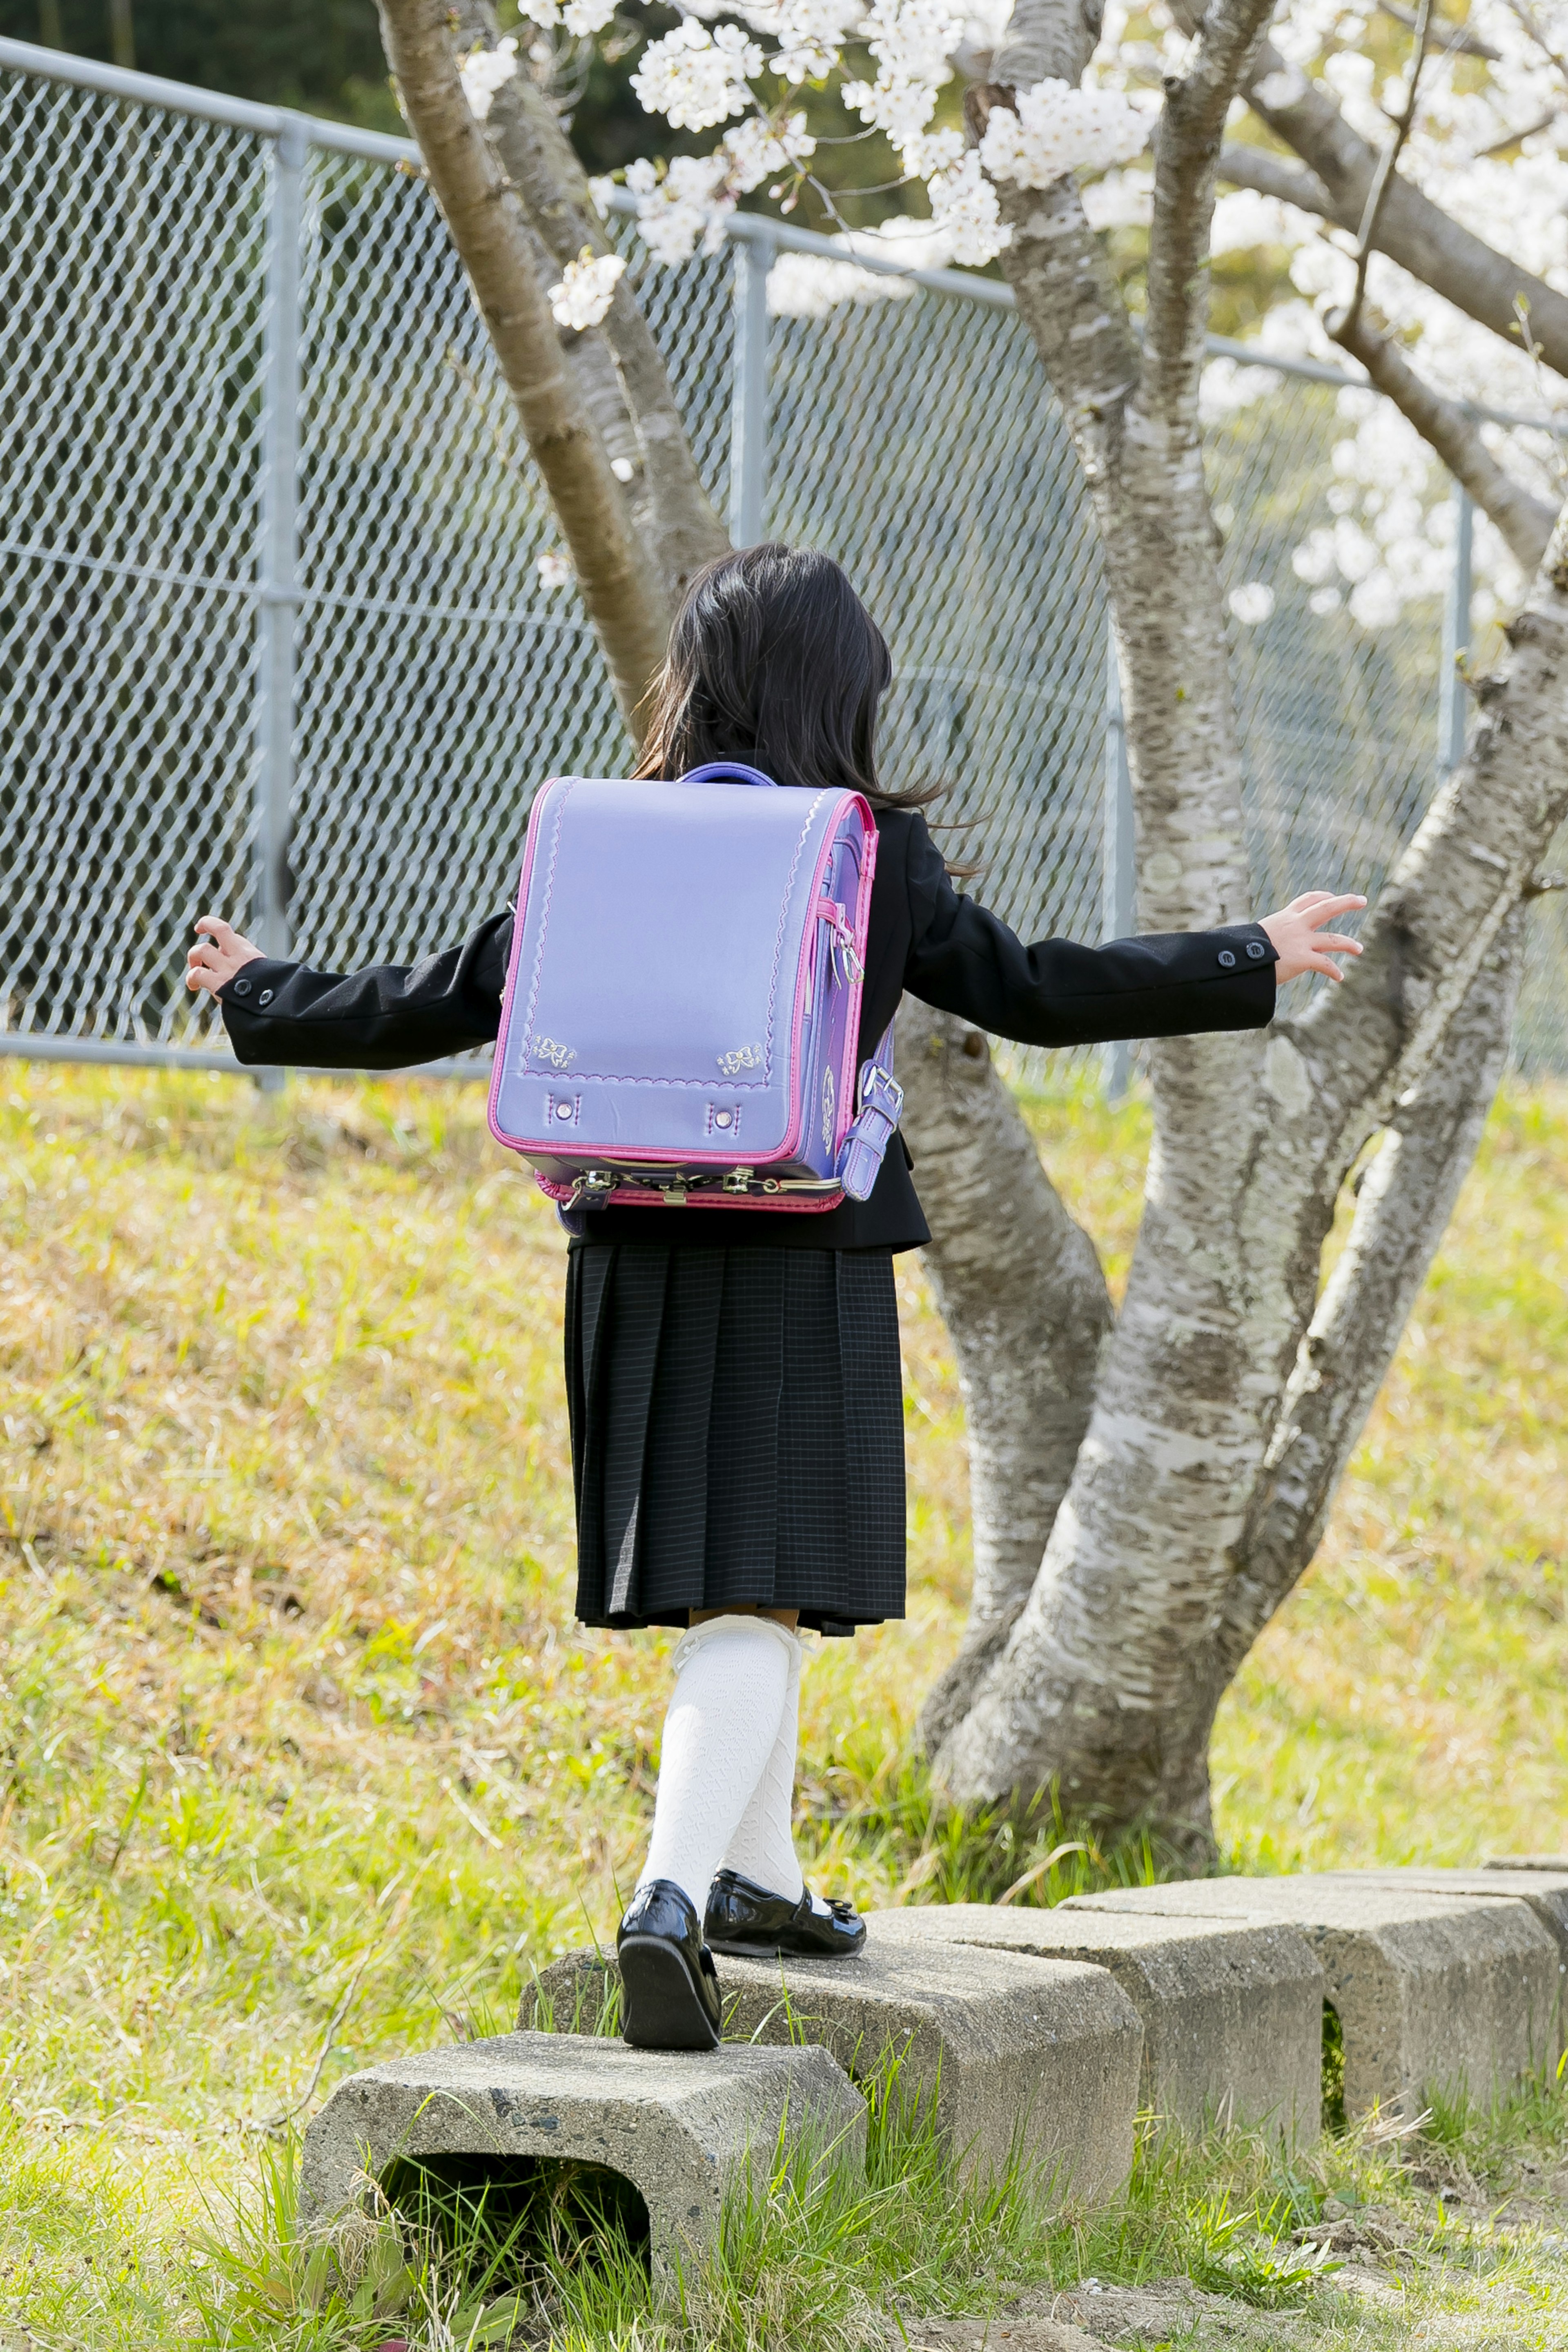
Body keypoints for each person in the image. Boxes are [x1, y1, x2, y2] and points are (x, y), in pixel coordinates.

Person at [185, 543, 1364, 2053]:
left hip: (626, 1244)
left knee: (748, 1588)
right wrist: (1242, 956)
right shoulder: (864, 852)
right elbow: (1042, 992)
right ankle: (669, 1901)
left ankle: (758, 1878)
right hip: (795, 1250)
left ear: (699, 683)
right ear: (842, 693)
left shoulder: (608, 839)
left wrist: (270, 988)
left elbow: (450, 997)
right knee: (762, 1588)